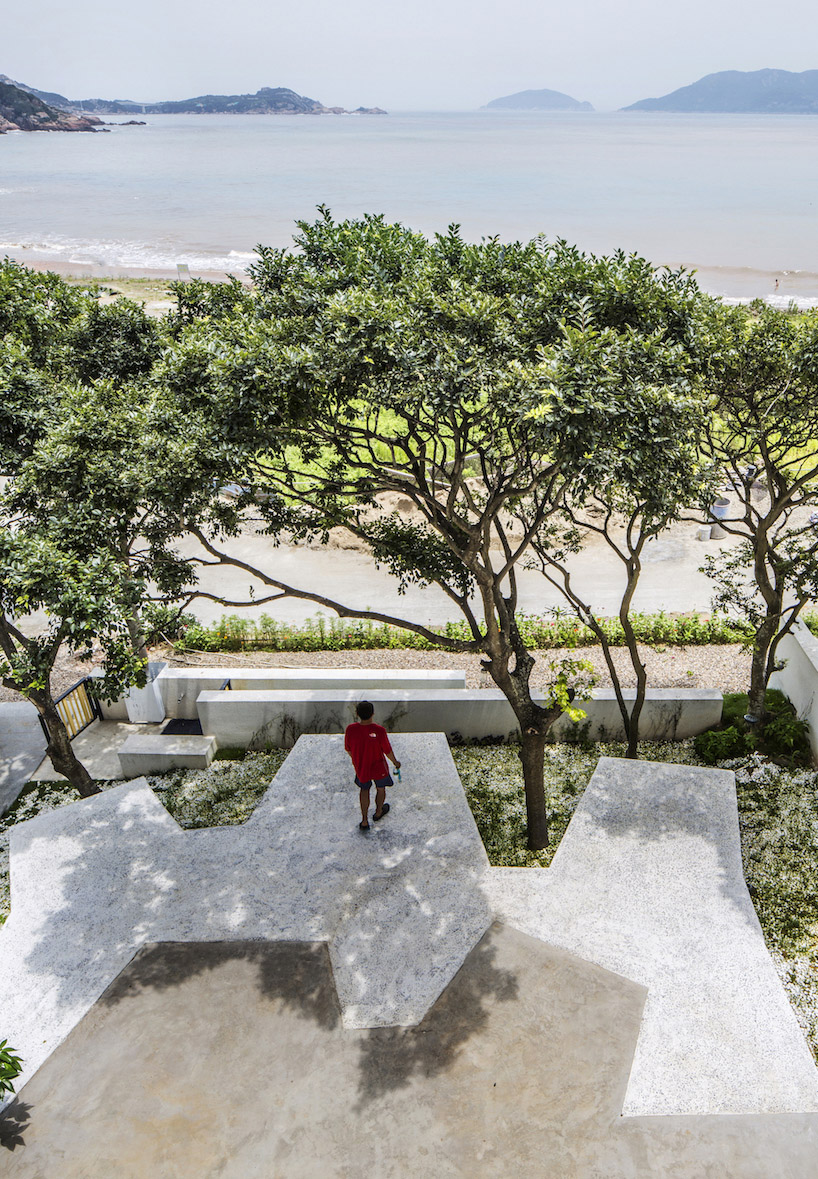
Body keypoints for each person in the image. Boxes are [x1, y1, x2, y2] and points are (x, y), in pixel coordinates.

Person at [344, 701, 401, 831]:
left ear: (357, 714)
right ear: (373, 714)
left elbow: (348, 749)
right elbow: (387, 751)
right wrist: (395, 762)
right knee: (381, 788)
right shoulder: (379, 731)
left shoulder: (351, 729)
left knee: (364, 790)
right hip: (379, 767)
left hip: (361, 768)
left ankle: (364, 821)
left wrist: (357, 760)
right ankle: (378, 812)